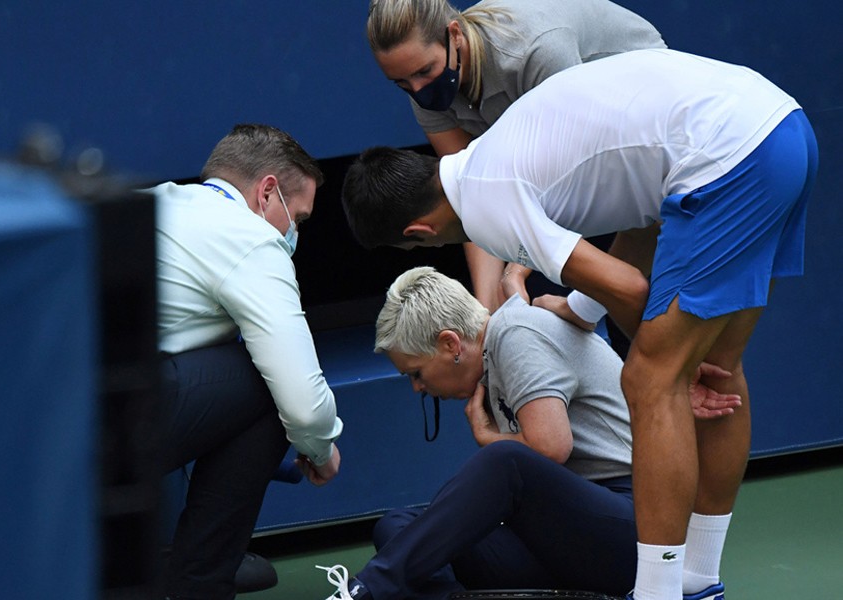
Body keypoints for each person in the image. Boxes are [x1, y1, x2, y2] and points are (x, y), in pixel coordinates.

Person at [340, 49, 818, 600]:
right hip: (781, 127)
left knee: (651, 377)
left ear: (418, 232)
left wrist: (673, 368)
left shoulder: (487, 206)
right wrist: (580, 308)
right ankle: (699, 581)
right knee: (720, 368)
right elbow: (642, 222)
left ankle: (661, 593)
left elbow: (631, 288)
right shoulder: (495, 155)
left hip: (732, 156)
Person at [318, 267, 741, 600]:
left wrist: (489, 440)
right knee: (397, 527)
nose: (417, 387)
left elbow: (550, 447)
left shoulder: (514, 334)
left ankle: (365, 592)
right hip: (568, 539)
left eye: (416, 372)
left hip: (639, 527)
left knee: (505, 463)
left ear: (450, 344)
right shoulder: (493, 351)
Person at [366, 0, 666, 314]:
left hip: (649, 121)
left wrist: (517, 269)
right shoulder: (424, 91)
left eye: (425, 70)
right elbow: (468, 200)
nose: (418, 90)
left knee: (629, 300)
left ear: (454, 35)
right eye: (402, 83)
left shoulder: (535, 52)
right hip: (584, 165)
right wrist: (485, 311)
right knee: (530, 298)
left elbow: (574, 178)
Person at [152, 123, 344, 600]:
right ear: (266, 193)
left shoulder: (159, 200)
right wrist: (320, 449)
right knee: (268, 383)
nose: (294, 232)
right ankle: (200, 585)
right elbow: (302, 401)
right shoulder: (250, 238)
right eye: (297, 217)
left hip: (42, 414)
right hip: (105, 429)